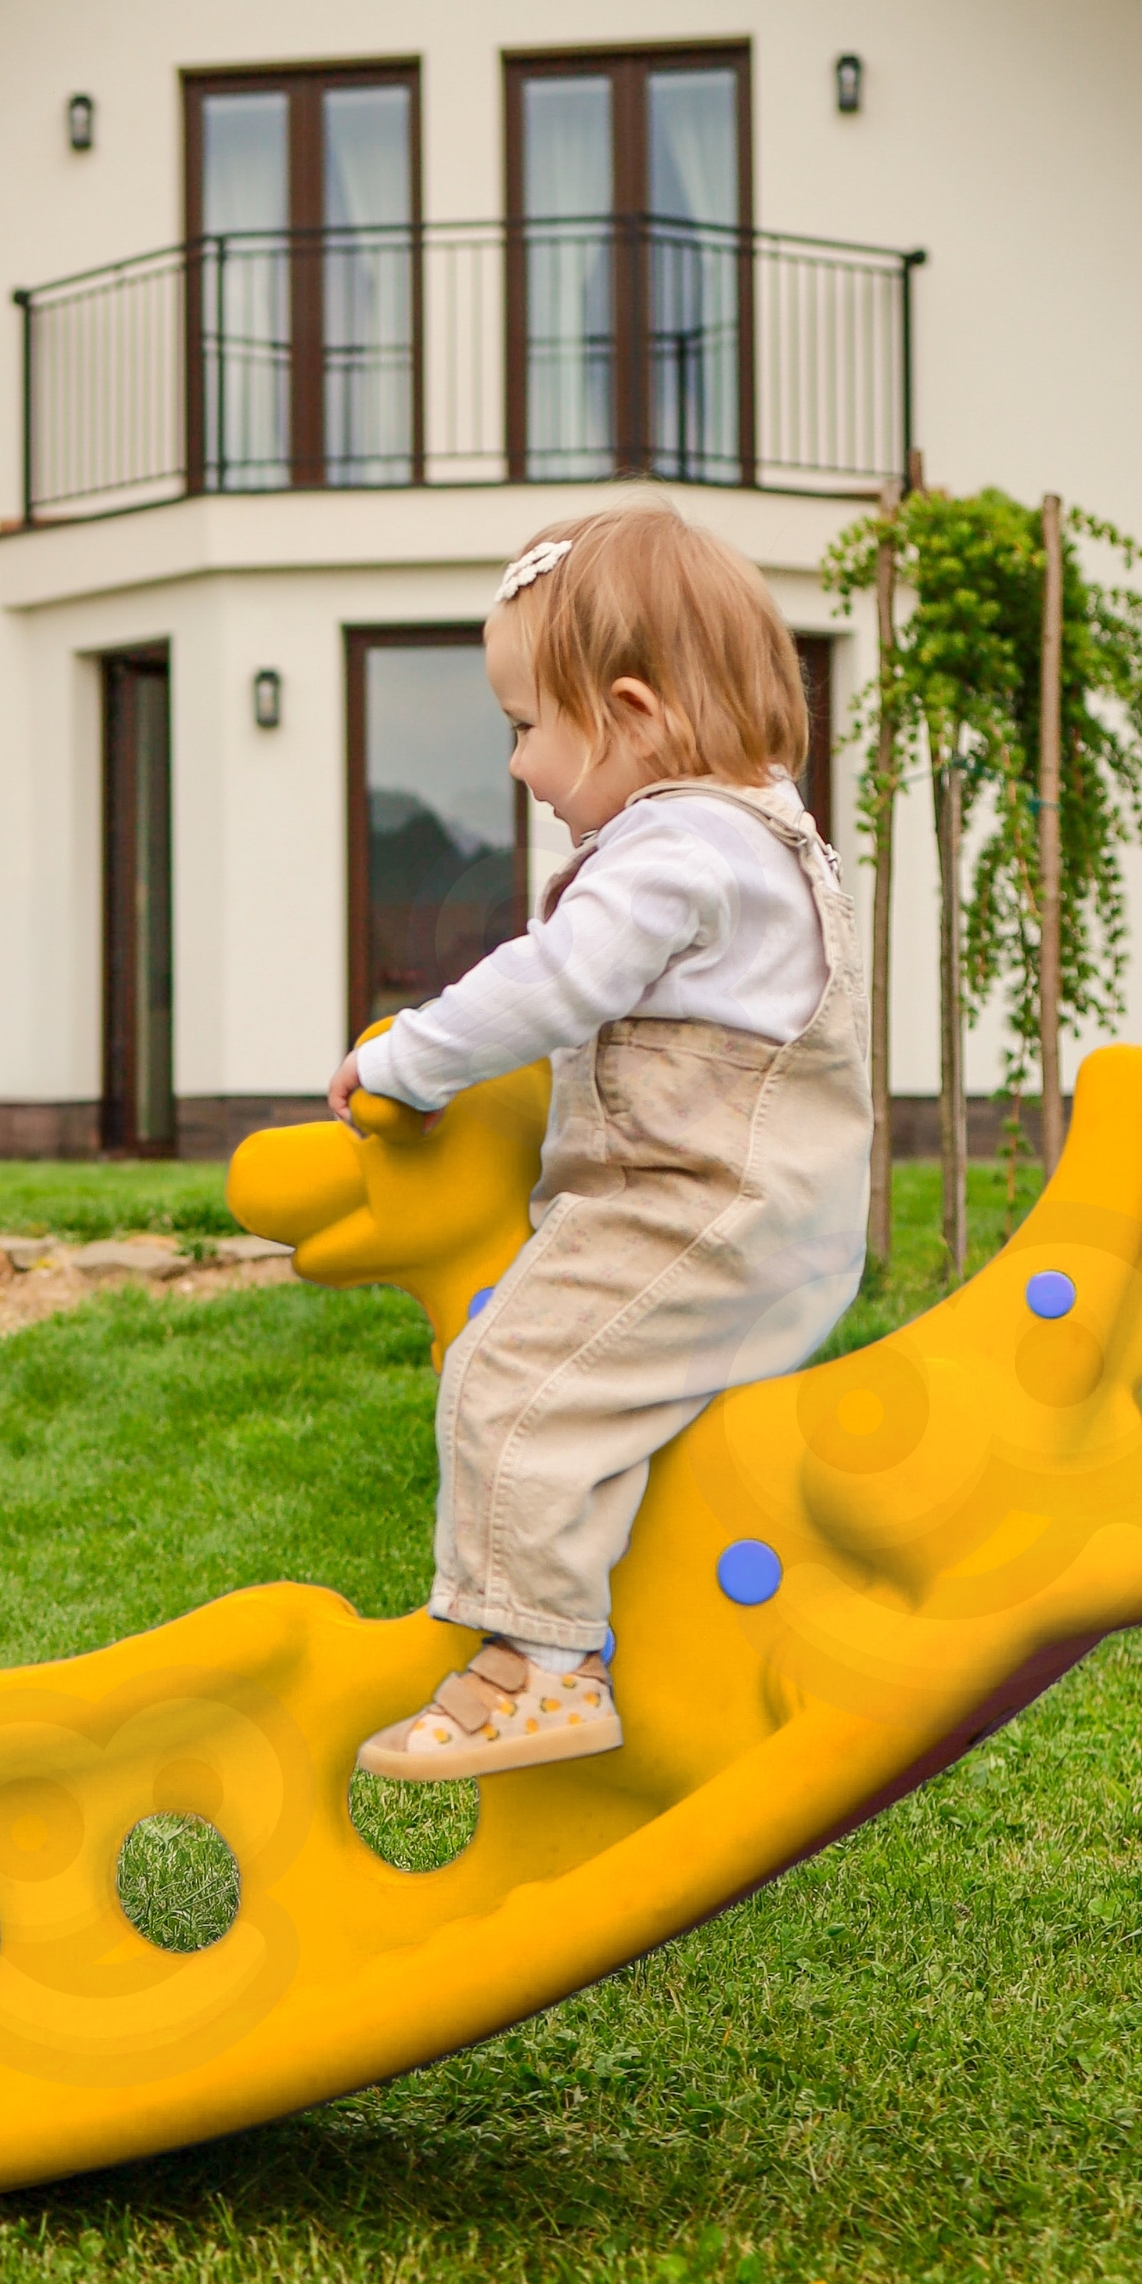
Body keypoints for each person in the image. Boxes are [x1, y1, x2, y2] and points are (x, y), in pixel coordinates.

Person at [337, 501, 871, 1782]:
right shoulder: (764, 835)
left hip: (698, 1210)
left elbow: (556, 979)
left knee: (511, 1378)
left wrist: (405, 1056)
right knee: (587, 1397)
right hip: (768, 1221)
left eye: (525, 726)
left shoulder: (676, 846)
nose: (517, 766)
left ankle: (539, 1665)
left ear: (629, 716)